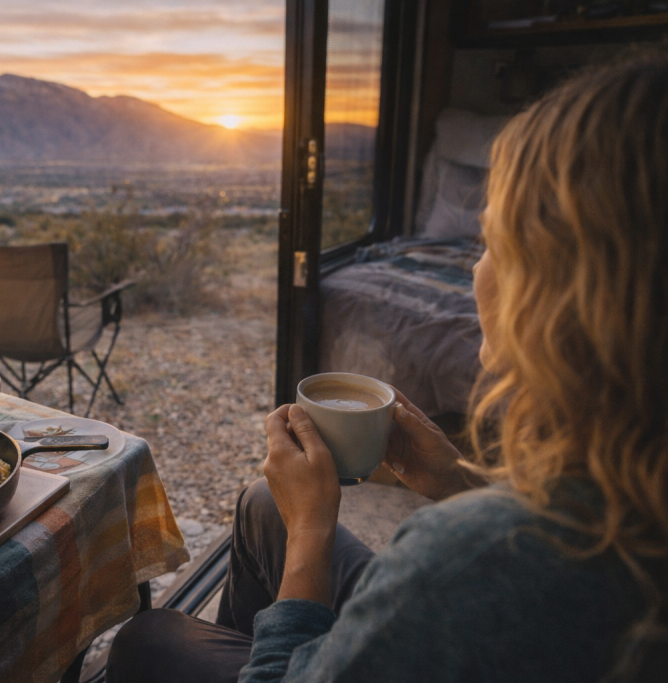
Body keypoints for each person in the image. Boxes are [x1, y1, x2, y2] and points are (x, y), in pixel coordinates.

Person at [106, 55, 668, 682]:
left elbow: (482, 573)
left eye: (491, 242)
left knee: (147, 638)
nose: (475, 266)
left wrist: (313, 532)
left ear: (559, 295)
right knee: (265, 504)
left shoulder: (460, 558)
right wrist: (459, 482)